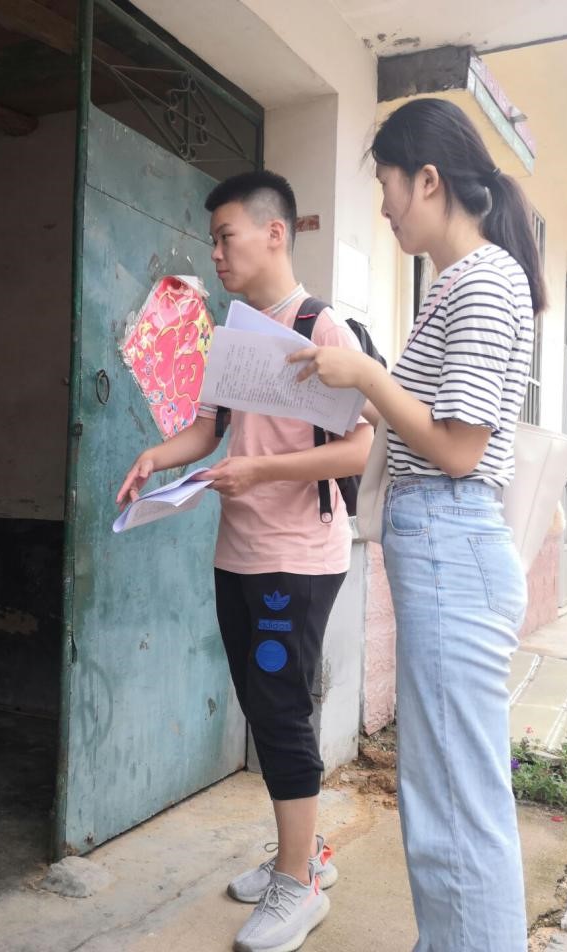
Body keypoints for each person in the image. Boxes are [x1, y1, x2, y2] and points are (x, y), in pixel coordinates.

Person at [289, 98, 546, 950]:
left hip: (451, 542)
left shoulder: (481, 280)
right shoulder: (462, 283)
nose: (385, 207)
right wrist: (353, 384)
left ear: (427, 179)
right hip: (443, 546)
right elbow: (429, 430)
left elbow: (457, 448)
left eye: (387, 185)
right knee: (444, 793)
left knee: (455, 805)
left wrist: (367, 375)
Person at [117, 171, 373, 952]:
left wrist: (259, 472)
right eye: (212, 242)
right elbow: (209, 430)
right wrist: (156, 457)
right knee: (263, 707)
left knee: (280, 712)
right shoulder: (232, 335)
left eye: (225, 237)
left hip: (296, 558)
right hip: (239, 552)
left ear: (274, 232)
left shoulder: (322, 329)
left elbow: (358, 448)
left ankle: (297, 887)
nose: (216, 254)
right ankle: (304, 854)